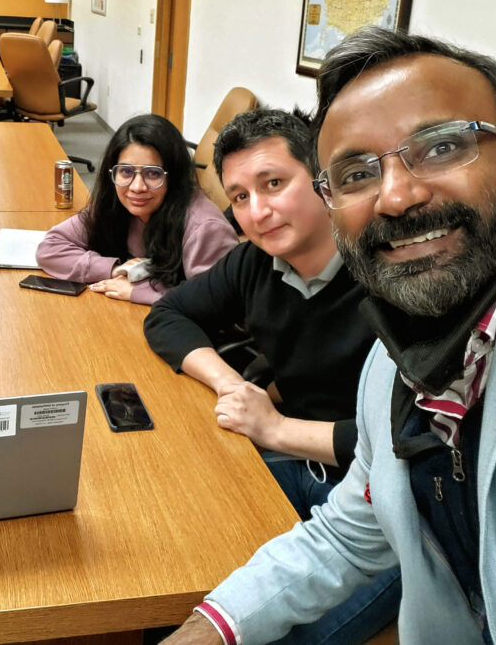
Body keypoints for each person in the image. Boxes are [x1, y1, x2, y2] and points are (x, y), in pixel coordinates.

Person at [167, 27, 496, 644]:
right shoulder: (394, 364)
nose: (398, 195)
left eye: (440, 147)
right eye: (356, 173)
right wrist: (206, 632)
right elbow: (349, 535)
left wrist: (276, 430)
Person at [145, 107, 399, 644]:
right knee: (167, 558)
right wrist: (231, 385)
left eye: (274, 183)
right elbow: (167, 316)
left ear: (323, 180)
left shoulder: (395, 276)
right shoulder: (257, 262)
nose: (257, 211)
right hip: (299, 468)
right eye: (239, 197)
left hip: (383, 517)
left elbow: (408, 448)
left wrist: (275, 429)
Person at [35, 113, 237, 305]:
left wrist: (140, 291)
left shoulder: (205, 228)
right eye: (126, 171)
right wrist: (113, 269)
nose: (137, 187)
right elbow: (50, 248)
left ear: (173, 176)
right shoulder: (115, 203)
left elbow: (215, 300)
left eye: (153, 174)